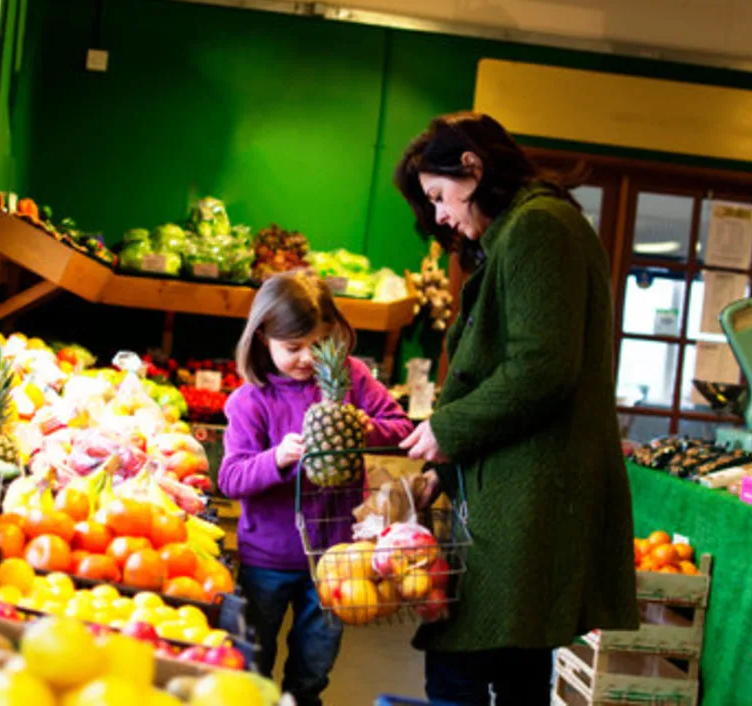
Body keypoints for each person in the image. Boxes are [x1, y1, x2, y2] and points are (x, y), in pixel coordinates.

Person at [394, 112, 639, 705]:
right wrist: (441, 470)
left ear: (473, 169)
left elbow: (541, 368)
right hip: (519, 495)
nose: (440, 216)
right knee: (517, 667)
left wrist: (446, 427)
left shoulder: (537, 229)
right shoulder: (527, 228)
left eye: (439, 195)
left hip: (528, 503)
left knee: (464, 663)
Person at [218, 271, 414, 706]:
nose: (307, 358)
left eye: (319, 344)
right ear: (263, 337)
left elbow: (401, 428)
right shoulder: (251, 400)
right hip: (267, 560)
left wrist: (368, 428)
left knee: (314, 668)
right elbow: (231, 478)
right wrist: (277, 459)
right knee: (253, 664)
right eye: (293, 348)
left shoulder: (354, 378)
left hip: (336, 559)